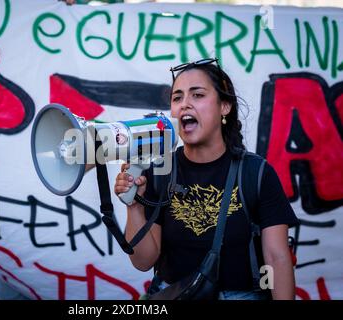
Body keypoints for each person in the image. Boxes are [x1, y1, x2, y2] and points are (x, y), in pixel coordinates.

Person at [114, 58, 298, 300]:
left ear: (225, 106)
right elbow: (143, 261)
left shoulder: (256, 173)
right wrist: (135, 207)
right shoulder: (159, 170)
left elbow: (277, 258)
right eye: (177, 98)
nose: (185, 105)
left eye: (197, 95)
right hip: (174, 294)